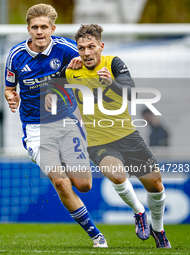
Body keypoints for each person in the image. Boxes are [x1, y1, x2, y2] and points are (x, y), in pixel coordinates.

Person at [45, 24, 171, 248]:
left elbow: (132, 94)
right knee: (117, 175)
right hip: (98, 142)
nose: (86, 53)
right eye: (81, 48)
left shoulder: (113, 63)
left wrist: (110, 83)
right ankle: (139, 212)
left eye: (91, 47)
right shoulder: (70, 69)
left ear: (100, 46)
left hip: (128, 136)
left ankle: (159, 230)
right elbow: (52, 89)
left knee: (156, 186)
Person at [4, 4, 108, 248]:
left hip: (67, 121)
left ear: (53, 28)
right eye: (35, 27)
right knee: (60, 181)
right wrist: (11, 96)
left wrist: (82, 68)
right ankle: (96, 236)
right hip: (35, 128)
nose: (39, 32)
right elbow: (9, 88)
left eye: (44, 27)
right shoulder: (15, 56)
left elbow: (96, 66)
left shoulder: (67, 49)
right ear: (28, 29)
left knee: (83, 184)